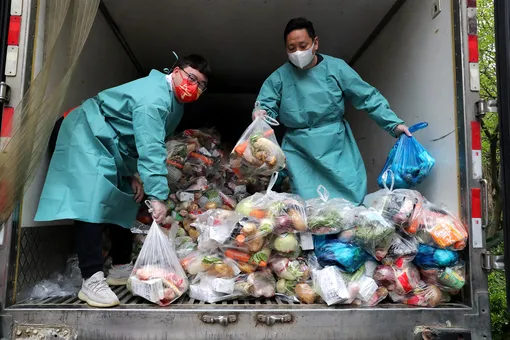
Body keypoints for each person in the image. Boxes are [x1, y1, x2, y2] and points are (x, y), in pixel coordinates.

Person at [35, 54, 211, 307]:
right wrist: (158, 196)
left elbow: (133, 140)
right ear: (175, 70)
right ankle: (91, 280)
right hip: (83, 132)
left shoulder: (174, 103)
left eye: (201, 85)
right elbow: (150, 148)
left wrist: (131, 175)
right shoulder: (155, 100)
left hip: (107, 141)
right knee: (91, 203)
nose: (194, 86)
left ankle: (120, 267)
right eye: (191, 78)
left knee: (125, 197)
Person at [253, 18, 411, 203]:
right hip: (299, 149)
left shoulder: (336, 68)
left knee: (350, 197)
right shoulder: (278, 78)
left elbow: (367, 96)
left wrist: (394, 124)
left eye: (303, 45)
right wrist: (261, 115)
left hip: (336, 145)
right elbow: (265, 106)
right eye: (291, 48)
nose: (298, 52)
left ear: (315, 43)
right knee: (310, 206)